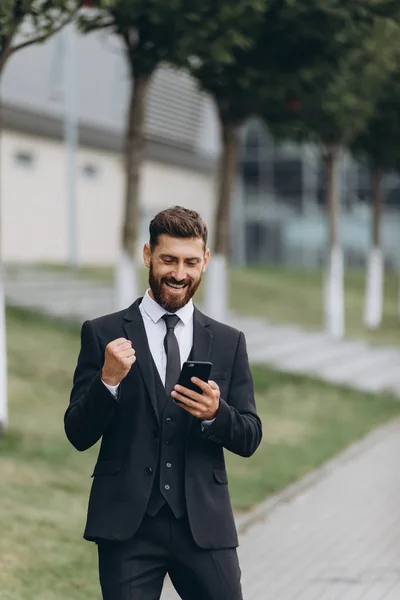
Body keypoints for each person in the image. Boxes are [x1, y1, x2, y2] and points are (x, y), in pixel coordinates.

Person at [65, 205, 262, 600]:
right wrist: (107, 382)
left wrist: (215, 415)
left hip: (204, 526)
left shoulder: (227, 341)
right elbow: (77, 433)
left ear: (205, 261)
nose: (178, 273)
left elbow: (250, 435)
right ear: (147, 255)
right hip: (127, 527)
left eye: (191, 262)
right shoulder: (102, 333)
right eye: (168, 259)